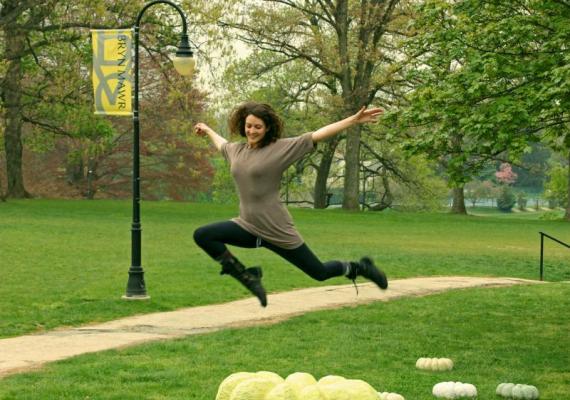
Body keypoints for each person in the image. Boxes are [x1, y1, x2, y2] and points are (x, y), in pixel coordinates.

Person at [193, 102, 388, 307]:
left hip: (276, 229)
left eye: (258, 127)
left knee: (319, 272)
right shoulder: (236, 150)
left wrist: (353, 120)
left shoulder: (280, 149)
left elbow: (317, 135)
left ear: (267, 128)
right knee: (203, 235)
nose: (252, 130)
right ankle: (249, 277)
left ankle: (359, 268)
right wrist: (207, 130)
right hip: (248, 226)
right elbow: (222, 143)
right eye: (248, 126)